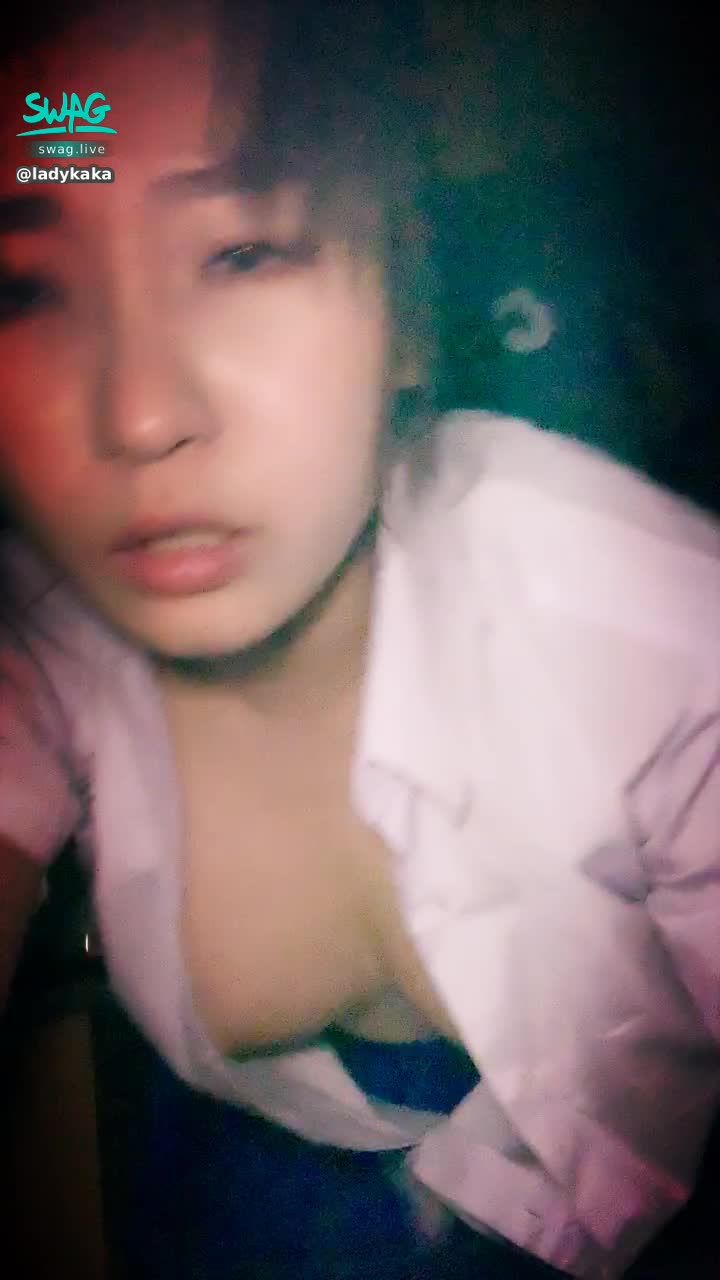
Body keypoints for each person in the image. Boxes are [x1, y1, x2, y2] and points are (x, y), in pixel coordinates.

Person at [1, 1, 719, 1276]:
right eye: (28, 288)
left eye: (242, 253)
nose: (140, 414)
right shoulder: (48, 626)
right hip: (253, 1142)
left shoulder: (647, 622)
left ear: (407, 312)